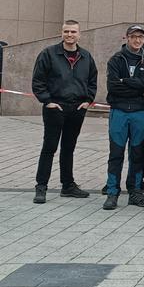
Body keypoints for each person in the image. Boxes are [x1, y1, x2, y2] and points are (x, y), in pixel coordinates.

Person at [31, 20, 97, 204]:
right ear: (61, 33)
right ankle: (41, 187)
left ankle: (68, 185)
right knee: (49, 148)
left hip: (77, 109)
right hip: (55, 108)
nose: (70, 35)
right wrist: (48, 101)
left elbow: (93, 79)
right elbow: (38, 80)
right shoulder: (49, 54)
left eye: (73, 31)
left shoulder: (86, 56)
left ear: (79, 34)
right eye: (66, 31)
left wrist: (87, 100)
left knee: (69, 148)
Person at [103, 25, 144, 210]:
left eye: (140, 37)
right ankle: (112, 192)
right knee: (116, 154)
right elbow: (113, 86)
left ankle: (135, 191)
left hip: (139, 113)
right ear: (126, 38)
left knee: (137, 153)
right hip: (119, 111)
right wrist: (138, 87)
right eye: (134, 37)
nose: (137, 40)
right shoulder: (116, 60)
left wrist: (125, 81)